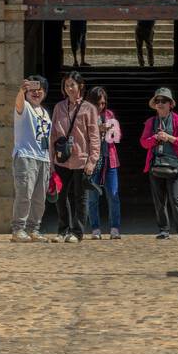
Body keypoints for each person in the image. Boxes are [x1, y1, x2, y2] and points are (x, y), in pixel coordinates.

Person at [50, 70, 100, 242]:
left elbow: (94, 137)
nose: (69, 88)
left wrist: (92, 161)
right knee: (60, 195)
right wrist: (51, 160)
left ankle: (77, 232)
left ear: (80, 86)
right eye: (66, 85)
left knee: (81, 198)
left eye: (72, 85)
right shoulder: (59, 107)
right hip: (62, 159)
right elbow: (53, 136)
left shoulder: (89, 109)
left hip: (81, 159)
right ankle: (62, 229)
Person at [140, 87, 178, 240]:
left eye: (164, 101)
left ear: (170, 104)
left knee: (175, 197)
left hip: (174, 164)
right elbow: (143, 143)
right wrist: (155, 138)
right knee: (159, 200)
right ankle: (164, 229)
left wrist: (169, 138)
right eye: (158, 101)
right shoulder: (151, 122)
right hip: (156, 164)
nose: (160, 104)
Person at [11, 75, 52, 243]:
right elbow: (19, 103)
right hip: (25, 156)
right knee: (24, 195)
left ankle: (33, 229)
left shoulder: (45, 113)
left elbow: (47, 138)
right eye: (32, 90)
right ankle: (18, 229)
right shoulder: (24, 107)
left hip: (43, 158)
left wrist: (51, 162)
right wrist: (21, 90)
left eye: (39, 90)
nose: (36, 93)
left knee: (39, 199)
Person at [86, 86, 123, 241]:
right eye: (97, 103)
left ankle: (115, 228)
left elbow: (117, 138)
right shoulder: (85, 115)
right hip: (92, 162)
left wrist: (112, 131)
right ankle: (95, 228)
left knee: (113, 195)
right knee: (92, 197)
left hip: (110, 160)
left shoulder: (109, 115)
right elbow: (82, 138)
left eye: (102, 103)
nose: (100, 106)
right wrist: (97, 130)